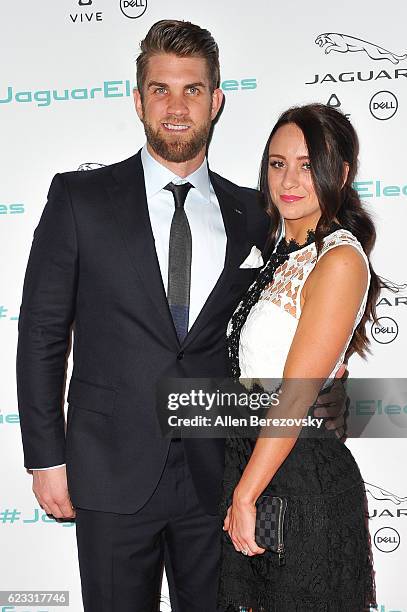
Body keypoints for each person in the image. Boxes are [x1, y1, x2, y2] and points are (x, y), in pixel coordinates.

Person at [17, 22, 345, 612]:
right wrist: (45, 458)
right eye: (160, 89)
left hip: (220, 475)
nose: (176, 105)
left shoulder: (256, 212)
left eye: (192, 90)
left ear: (216, 101)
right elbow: (41, 334)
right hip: (108, 472)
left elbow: (290, 323)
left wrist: (330, 394)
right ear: (138, 99)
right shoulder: (79, 198)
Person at [218, 104, 379, 611]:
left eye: (308, 165)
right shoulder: (279, 255)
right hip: (258, 472)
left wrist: (245, 497)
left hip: (302, 487)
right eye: (276, 163)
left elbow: (295, 397)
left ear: (342, 172)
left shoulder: (340, 259)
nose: (289, 179)